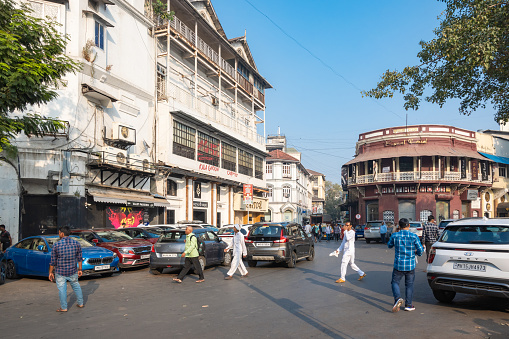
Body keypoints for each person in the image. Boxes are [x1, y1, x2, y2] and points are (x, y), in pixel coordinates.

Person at [387, 218, 424, 313]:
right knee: (409, 285)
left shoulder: (395, 235)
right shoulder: (414, 236)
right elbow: (420, 250)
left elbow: (389, 245)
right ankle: (408, 305)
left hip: (398, 264)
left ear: (399, 226)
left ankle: (397, 299)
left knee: (395, 282)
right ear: (409, 226)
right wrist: (417, 253)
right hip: (410, 265)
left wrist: (394, 232)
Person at [48, 226, 84, 312]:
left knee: (62, 290)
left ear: (62, 233)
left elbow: (53, 261)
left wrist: (50, 272)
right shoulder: (76, 243)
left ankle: (64, 307)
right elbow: (79, 258)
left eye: (59, 232)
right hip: (73, 271)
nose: (59, 234)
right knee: (76, 286)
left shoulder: (56, 245)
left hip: (60, 272)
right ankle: (80, 303)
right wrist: (80, 270)